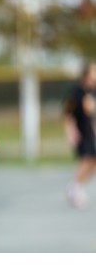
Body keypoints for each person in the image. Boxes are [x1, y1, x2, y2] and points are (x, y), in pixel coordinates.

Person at [63, 62, 96, 208]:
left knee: (93, 160)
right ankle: (74, 188)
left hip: (89, 131)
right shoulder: (76, 90)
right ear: (87, 73)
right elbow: (68, 113)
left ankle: (77, 187)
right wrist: (71, 131)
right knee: (85, 159)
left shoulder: (90, 91)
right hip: (80, 131)